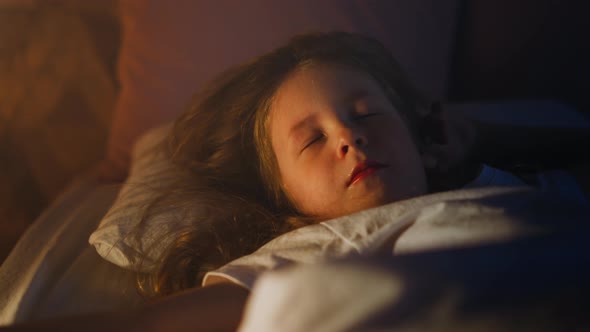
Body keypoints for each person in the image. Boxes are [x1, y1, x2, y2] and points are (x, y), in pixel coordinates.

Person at [2, 31, 588, 332]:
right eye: (311, 139)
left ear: (419, 134)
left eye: (367, 114)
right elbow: (154, 325)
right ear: (286, 196)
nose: (349, 139)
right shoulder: (317, 246)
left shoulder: (512, 178)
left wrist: (480, 138)